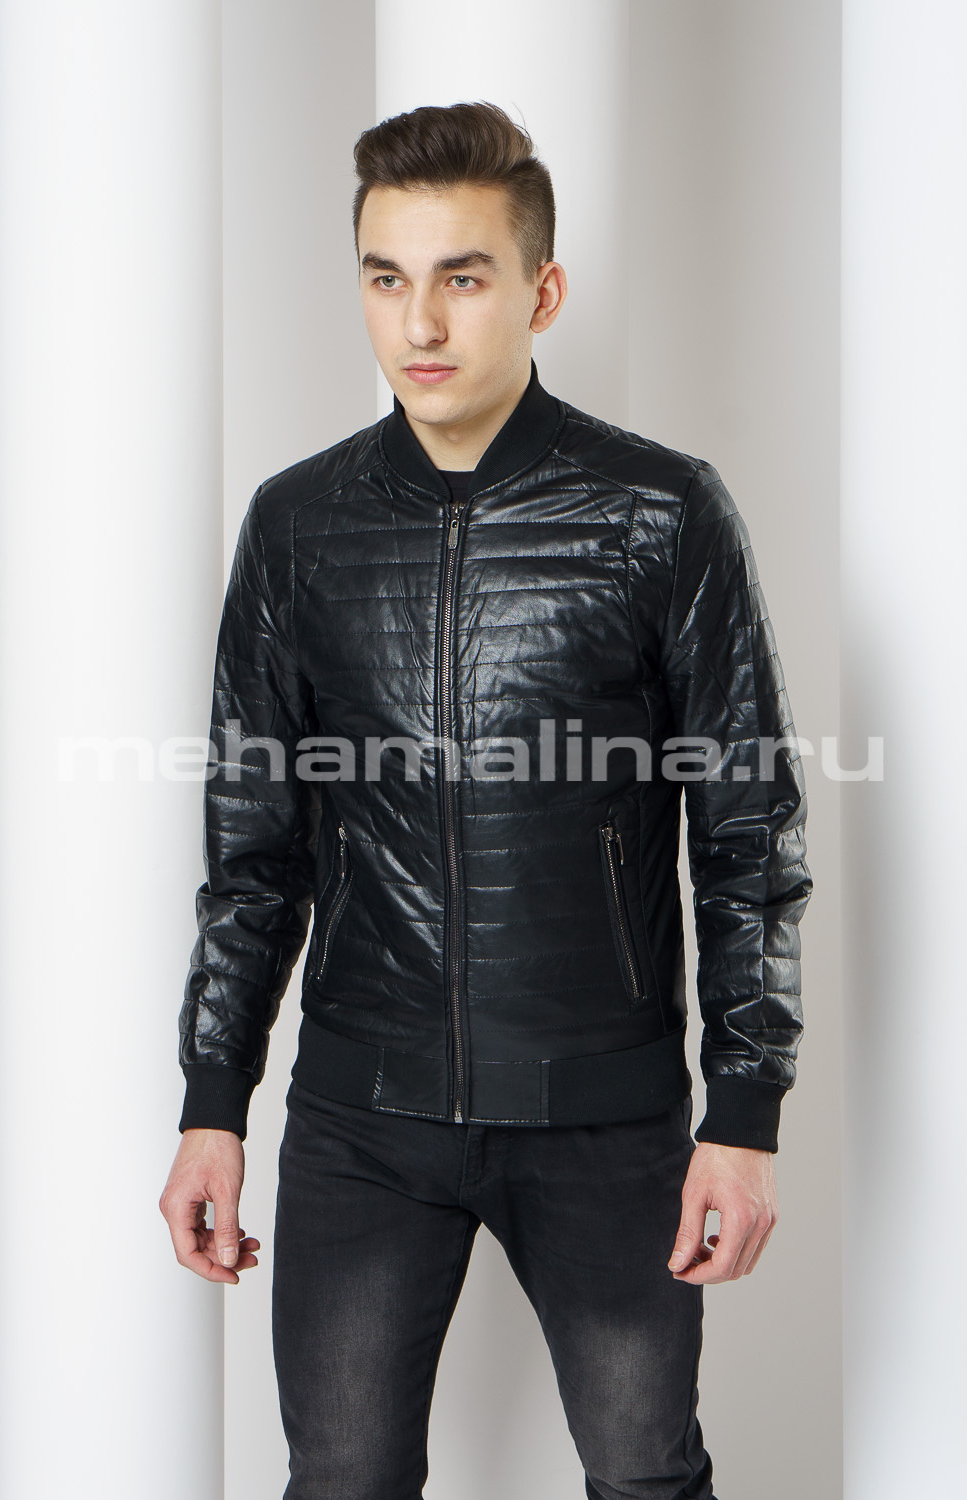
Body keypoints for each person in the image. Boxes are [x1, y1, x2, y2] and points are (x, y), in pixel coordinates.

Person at [159, 101, 812, 1500]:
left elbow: (747, 837)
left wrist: (744, 1113)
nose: (420, 323)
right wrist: (213, 1103)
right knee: (340, 1480)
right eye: (386, 279)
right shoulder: (297, 524)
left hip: (603, 1113)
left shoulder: (659, 513)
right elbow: (252, 848)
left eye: (462, 277)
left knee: (643, 1474)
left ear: (541, 291)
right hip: (362, 1117)